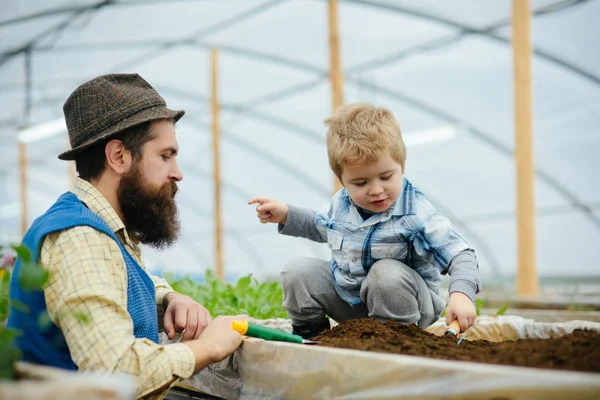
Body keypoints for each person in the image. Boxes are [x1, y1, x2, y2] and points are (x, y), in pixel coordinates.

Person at [7, 73, 248, 399]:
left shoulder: (98, 227)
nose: (177, 172)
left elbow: (116, 282)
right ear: (119, 156)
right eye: (165, 155)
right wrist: (208, 347)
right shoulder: (80, 239)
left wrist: (167, 299)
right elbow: (114, 373)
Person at [249, 103, 481, 338]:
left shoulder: (415, 214)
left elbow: (460, 254)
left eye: (386, 176)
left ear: (402, 166)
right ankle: (313, 339)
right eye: (361, 183)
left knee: (385, 273)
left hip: (407, 309)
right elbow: (319, 225)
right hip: (353, 303)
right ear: (342, 180)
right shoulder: (341, 205)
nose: (376, 190)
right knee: (297, 270)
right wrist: (286, 214)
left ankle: (392, 341)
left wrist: (461, 294)